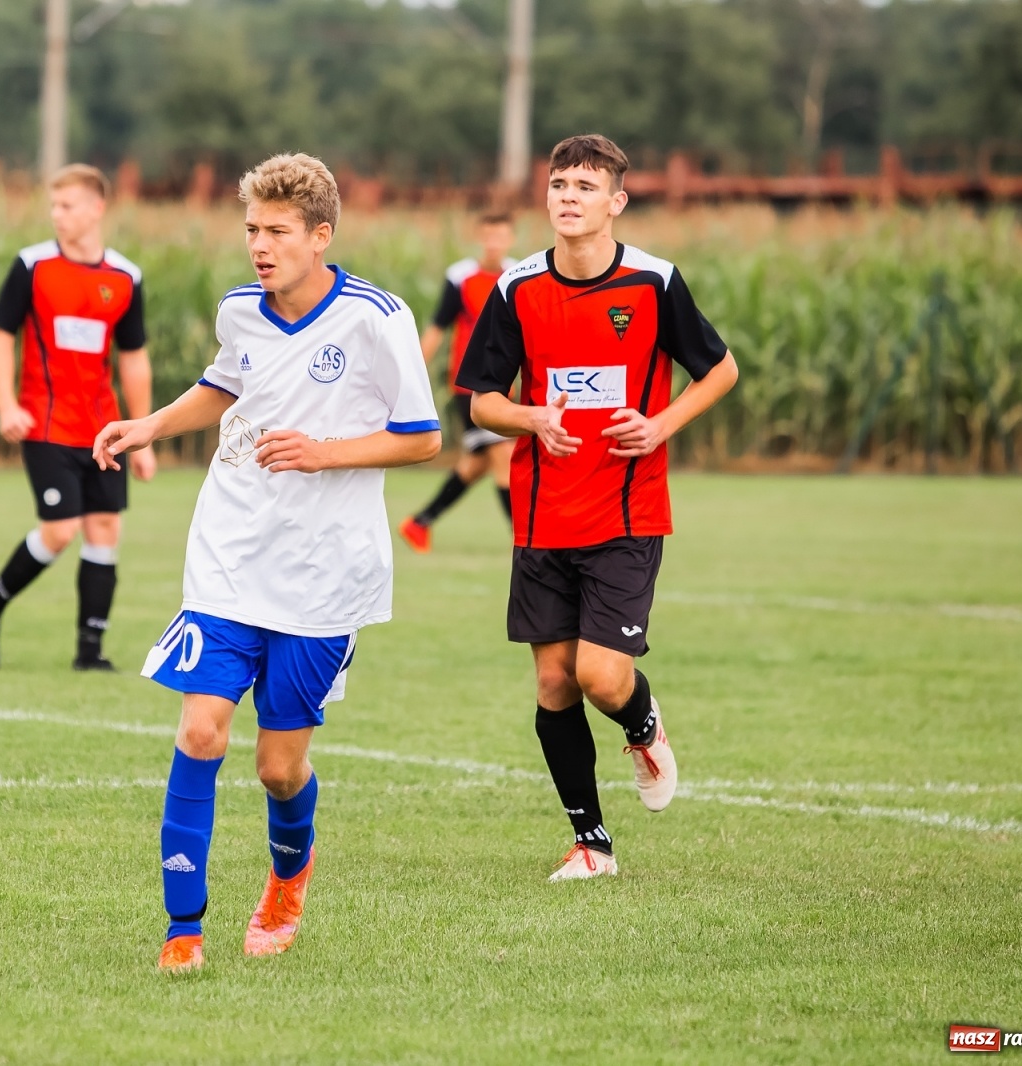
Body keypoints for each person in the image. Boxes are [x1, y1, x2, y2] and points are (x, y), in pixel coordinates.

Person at [91, 153, 441, 973]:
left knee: (279, 769)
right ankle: (184, 930)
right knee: (201, 728)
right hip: (229, 556)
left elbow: (423, 436)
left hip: (325, 576)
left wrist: (324, 454)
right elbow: (222, 385)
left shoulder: (375, 318)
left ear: (321, 236)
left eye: (277, 231)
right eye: (252, 229)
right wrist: (149, 425)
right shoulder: (239, 311)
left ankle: (288, 880)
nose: (259, 244)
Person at [455, 134, 739, 881]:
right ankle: (592, 844)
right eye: (558, 183)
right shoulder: (515, 288)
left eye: (586, 185)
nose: (568, 196)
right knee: (553, 682)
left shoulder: (653, 282)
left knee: (601, 679)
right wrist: (531, 418)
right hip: (543, 513)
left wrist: (660, 426)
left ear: (616, 200)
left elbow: (721, 370)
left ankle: (643, 725)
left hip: (626, 511)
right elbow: (482, 398)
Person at [0, 164, 156, 672]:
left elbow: (133, 359)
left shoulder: (125, 277)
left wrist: (144, 434)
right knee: (60, 531)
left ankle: (89, 653)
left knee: (104, 530)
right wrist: (7, 404)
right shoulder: (31, 266)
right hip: (45, 424)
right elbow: (0, 337)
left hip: (103, 429)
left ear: (97, 208)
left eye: (67, 205)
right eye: (53, 206)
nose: (58, 215)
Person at [398, 212, 518, 553]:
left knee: (477, 463)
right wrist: (412, 377)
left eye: (501, 237)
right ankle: (526, 541)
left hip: (506, 386)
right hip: (470, 387)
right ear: (480, 238)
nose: (494, 243)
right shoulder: (460, 277)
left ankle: (419, 522)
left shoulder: (518, 275)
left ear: (510, 239)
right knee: (503, 456)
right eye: (489, 236)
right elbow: (437, 329)